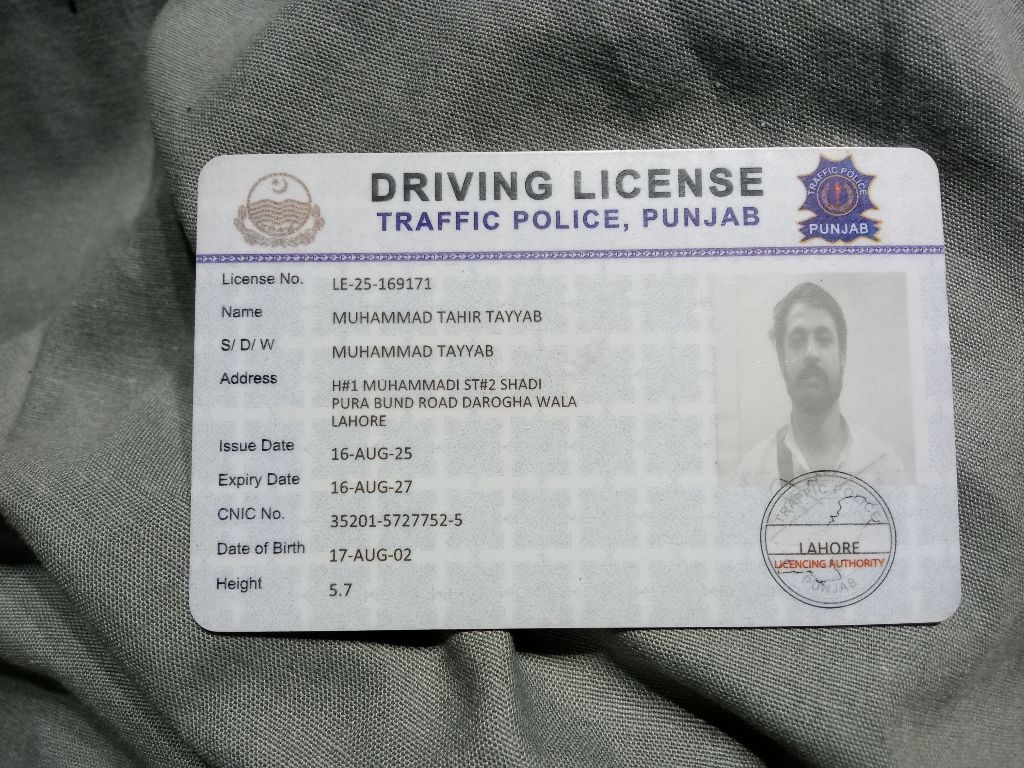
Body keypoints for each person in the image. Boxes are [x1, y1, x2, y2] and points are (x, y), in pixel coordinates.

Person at [737, 282, 908, 487]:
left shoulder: (884, 466)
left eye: (824, 339)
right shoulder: (753, 473)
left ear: (842, 357)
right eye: (798, 341)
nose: (811, 353)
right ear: (782, 361)